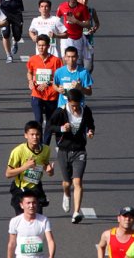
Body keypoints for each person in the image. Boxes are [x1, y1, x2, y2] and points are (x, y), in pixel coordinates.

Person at [49, 89, 95, 223]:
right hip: (63, 150)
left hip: (79, 150)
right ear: (68, 102)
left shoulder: (86, 111)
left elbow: (91, 124)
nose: (75, 108)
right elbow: (50, 127)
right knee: (67, 183)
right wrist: (62, 128)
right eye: (72, 105)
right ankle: (66, 193)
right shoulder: (61, 111)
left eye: (76, 105)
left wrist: (90, 131)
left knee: (77, 181)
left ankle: (76, 212)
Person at [4, 120, 54, 212]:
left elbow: (46, 165)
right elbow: (8, 174)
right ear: (26, 135)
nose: (35, 137)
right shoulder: (18, 151)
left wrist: (50, 171)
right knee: (23, 220)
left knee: (37, 218)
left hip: (36, 188)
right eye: (32, 134)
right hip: (21, 188)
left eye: (37, 134)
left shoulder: (46, 149)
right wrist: (25, 167)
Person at [26, 35, 63, 131]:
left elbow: (60, 78)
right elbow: (29, 72)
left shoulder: (56, 61)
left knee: (50, 122)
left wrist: (48, 83)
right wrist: (30, 81)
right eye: (39, 45)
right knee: (38, 120)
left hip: (51, 95)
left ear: (48, 46)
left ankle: (45, 144)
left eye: (43, 45)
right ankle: (38, 142)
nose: (41, 48)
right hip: (37, 94)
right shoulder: (33, 59)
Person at [7, 192, 55, 258]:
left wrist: (51, 256)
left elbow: (50, 240)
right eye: (28, 203)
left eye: (34, 203)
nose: (31, 206)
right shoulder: (15, 221)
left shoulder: (44, 220)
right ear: (21, 205)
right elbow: (12, 243)